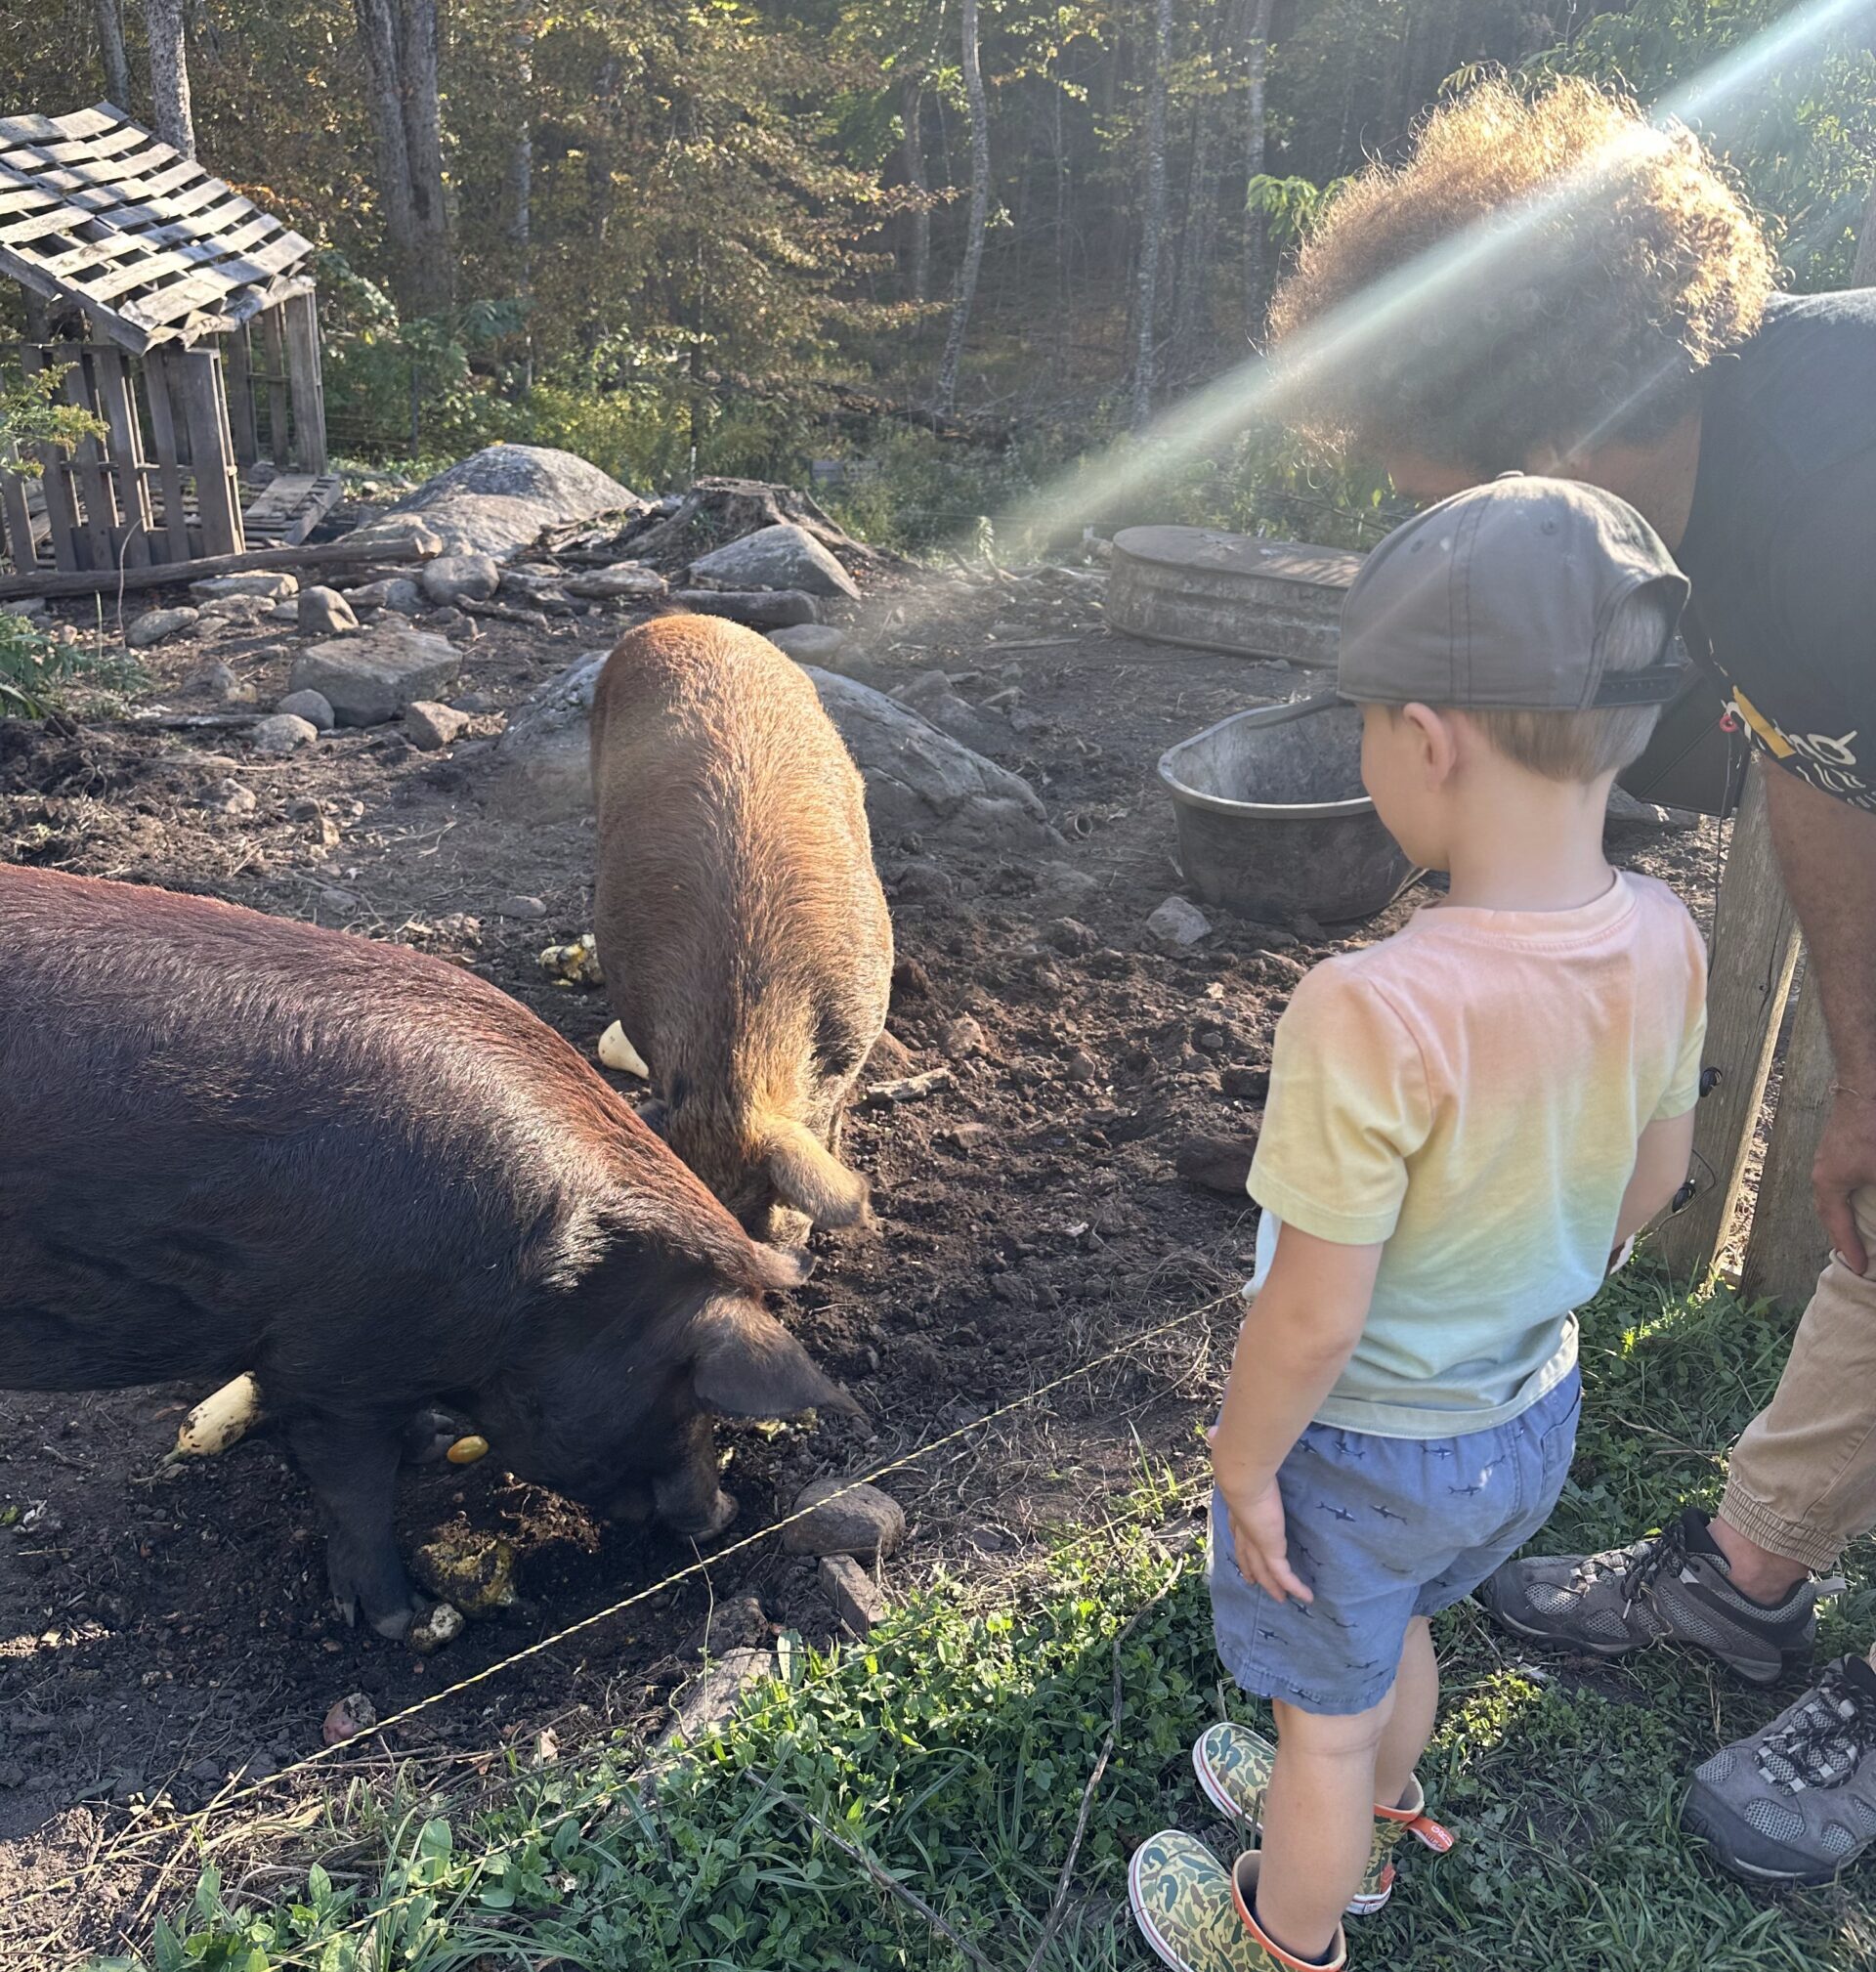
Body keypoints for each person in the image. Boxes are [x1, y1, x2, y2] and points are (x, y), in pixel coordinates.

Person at [1261, 75, 1876, 1887]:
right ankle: (1749, 1582)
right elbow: (1818, 758)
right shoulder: (1723, 524)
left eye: (1439, 496)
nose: (1428, 534)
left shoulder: (1849, 474)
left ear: (1554, 424)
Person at [1128, 475, 1707, 1972]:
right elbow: (1656, 1177)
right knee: (1405, 1629)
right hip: (1527, 1407)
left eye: (1370, 721)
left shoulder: (1369, 1007)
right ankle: (1389, 1802)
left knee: (1312, 1726)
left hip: (1361, 1446)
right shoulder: (1668, 937)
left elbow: (1313, 1314)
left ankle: (1289, 1923)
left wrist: (1244, 1463)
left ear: (1426, 740)